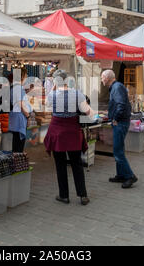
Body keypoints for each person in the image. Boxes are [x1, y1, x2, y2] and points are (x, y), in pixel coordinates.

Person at [44, 69, 94, 205]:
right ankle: (83, 195)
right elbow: (88, 112)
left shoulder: (52, 95)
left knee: (60, 165)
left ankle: (64, 195)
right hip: (73, 131)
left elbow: (47, 107)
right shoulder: (77, 94)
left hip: (57, 132)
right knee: (76, 164)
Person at [101, 70, 138, 189]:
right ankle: (121, 175)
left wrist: (115, 118)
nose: (102, 80)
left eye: (102, 78)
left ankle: (130, 176)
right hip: (120, 121)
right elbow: (119, 104)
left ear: (107, 78)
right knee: (119, 149)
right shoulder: (116, 87)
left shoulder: (116, 87)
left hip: (120, 122)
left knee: (118, 151)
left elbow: (121, 104)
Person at [8, 68, 31, 152]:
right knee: (19, 143)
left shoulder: (14, 87)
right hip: (19, 117)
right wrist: (28, 116)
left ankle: (16, 162)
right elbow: (20, 105)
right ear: (22, 76)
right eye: (26, 75)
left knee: (16, 141)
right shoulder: (18, 88)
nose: (27, 77)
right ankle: (18, 163)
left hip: (15, 117)